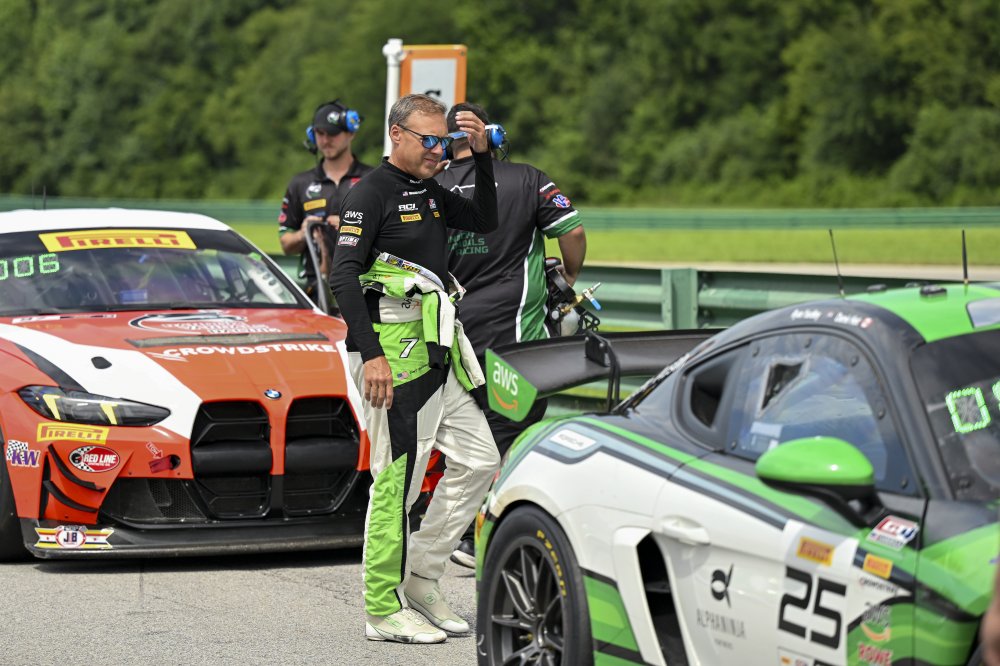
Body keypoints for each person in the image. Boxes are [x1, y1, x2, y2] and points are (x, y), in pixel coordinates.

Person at [329, 93, 500, 644]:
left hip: (436, 350)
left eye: (443, 141)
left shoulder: (431, 189)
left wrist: (481, 155)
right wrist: (371, 354)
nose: (437, 150)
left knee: (480, 461)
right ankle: (382, 607)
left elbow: (487, 220)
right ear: (396, 135)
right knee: (397, 480)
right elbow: (342, 276)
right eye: (427, 140)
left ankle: (421, 577)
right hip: (389, 354)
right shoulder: (369, 193)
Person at [435, 101, 586, 567]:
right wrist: (568, 278)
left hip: (453, 334)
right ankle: (482, 535)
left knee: (471, 437)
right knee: (515, 435)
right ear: (494, 135)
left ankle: (460, 531)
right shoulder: (528, 178)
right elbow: (572, 232)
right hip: (516, 337)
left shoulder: (431, 187)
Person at [278, 99, 373, 299]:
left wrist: (353, 228)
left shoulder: (372, 179)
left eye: (333, 133)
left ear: (351, 133)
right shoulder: (300, 183)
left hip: (365, 288)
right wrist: (303, 233)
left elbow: (392, 238)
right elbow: (285, 243)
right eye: (320, 133)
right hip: (315, 291)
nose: (326, 140)